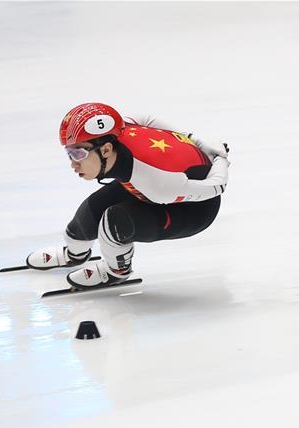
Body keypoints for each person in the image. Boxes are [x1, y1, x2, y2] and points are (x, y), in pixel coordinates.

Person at [26, 103, 229, 289]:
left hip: (195, 208)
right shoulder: (120, 129)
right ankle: (74, 253)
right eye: (69, 153)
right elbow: (146, 118)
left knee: (114, 222)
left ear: (106, 150)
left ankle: (116, 271)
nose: (73, 163)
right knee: (92, 208)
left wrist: (219, 158)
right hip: (159, 182)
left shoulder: (156, 182)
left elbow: (216, 187)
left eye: (79, 154)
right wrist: (195, 139)